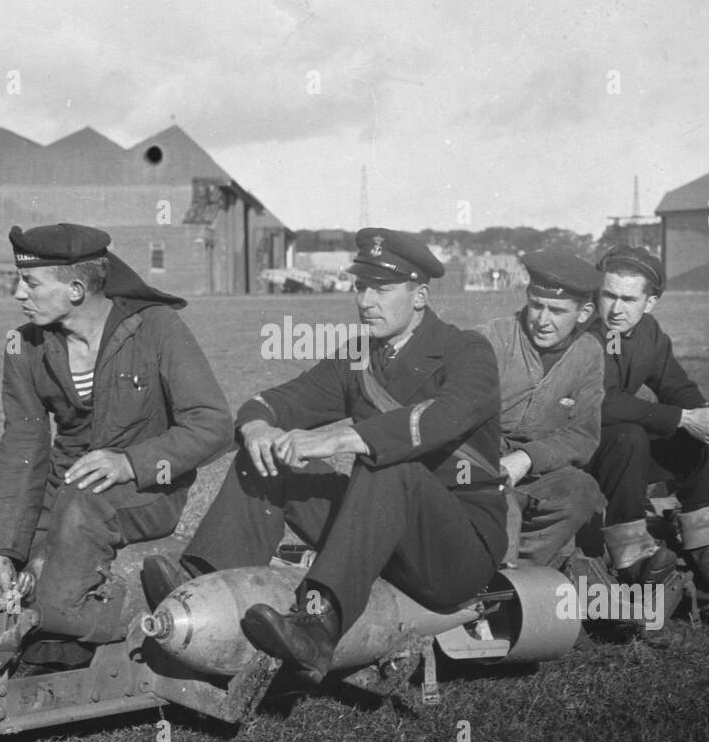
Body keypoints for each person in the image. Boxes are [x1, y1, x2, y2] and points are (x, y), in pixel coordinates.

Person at [141, 228, 506, 681]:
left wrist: (342, 438)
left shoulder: (466, 349)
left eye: (382, 289)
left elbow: (448, 414)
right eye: (361, 287)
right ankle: (201, 578)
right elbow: (278, 401)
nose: (365, 301)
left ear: (420, 296)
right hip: (376, 534)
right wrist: (258, 427)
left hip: (455, 551)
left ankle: (317, 629)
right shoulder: (358, 357)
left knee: (389, 463)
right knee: (268, 457)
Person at [0, 223, 231, 662]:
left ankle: (91, 643)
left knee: (57, 592)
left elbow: (212, 424)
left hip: (143, 490)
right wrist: (1, 551)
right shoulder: (24, 346)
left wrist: (130, 462)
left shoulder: (156, 328)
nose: (18, 293)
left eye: (30, 282)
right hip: (63, 489)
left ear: (75, 290)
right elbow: (22, 449)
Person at [587, 245, 709, 587]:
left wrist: (705, 415)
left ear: (650, 302)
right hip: (580, 447)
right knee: (628, 435)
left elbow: (674, 384)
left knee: (700, 434)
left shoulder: (648, 331)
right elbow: (603, 402)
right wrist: (683, 417)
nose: (616, 308)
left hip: (620, 451)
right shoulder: (588, 332)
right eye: (609, 296)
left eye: (628, 299)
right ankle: (632, 558)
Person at [476, 250, 610, 571]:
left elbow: (583, 435)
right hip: (477, 464)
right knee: (499, 502)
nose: (542, 320)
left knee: (582, 491)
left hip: (536, 471)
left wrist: (526, 458)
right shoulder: (492, 337)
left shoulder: (589, 353)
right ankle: (490, 574)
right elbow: (457, 416)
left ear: (584, 313)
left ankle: (525, 574)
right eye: (537, 305)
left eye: (557, 310)